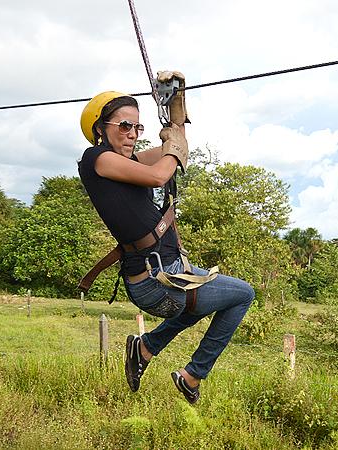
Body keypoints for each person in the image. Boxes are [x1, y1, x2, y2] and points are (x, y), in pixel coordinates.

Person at [77, 72, 254, 404]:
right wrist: (172, 145)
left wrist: (176, 107)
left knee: (217, 299)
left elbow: (174, 151)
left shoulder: (125, 162)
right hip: (155, 278)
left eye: (137, 127)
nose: (132, 134)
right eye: (124, 126)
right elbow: (161, 174)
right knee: (243, 294)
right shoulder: (96, 160)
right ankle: (192, 375)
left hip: (167, 268)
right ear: (100, 130)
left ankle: (145, 348)